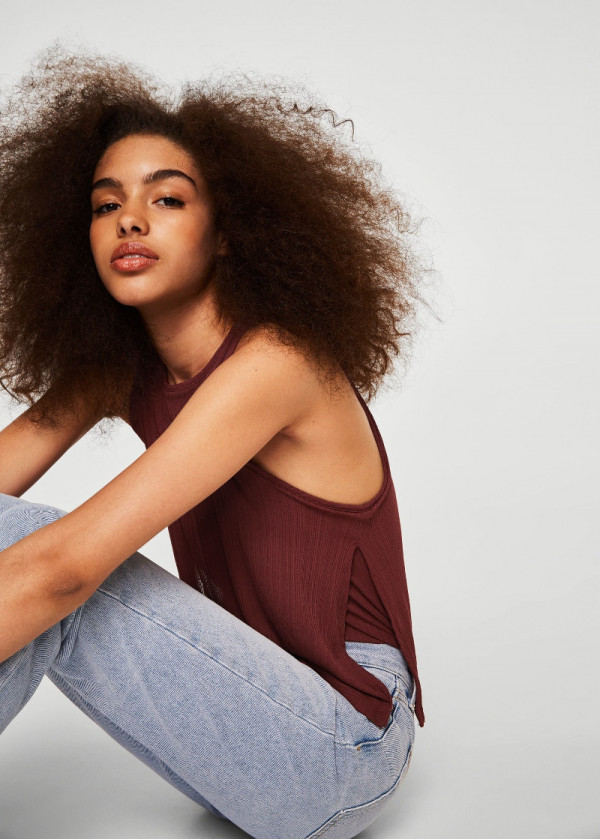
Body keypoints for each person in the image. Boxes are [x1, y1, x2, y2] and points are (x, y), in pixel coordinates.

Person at [0, 45, 433, 839]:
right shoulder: (123, 367)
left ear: (229, 232)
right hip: (250, 711)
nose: (130, 219)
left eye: (166, 198)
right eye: (105, 205)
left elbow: (62, 572)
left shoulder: (276, 363)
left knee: (46, 561)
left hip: (347, 742)